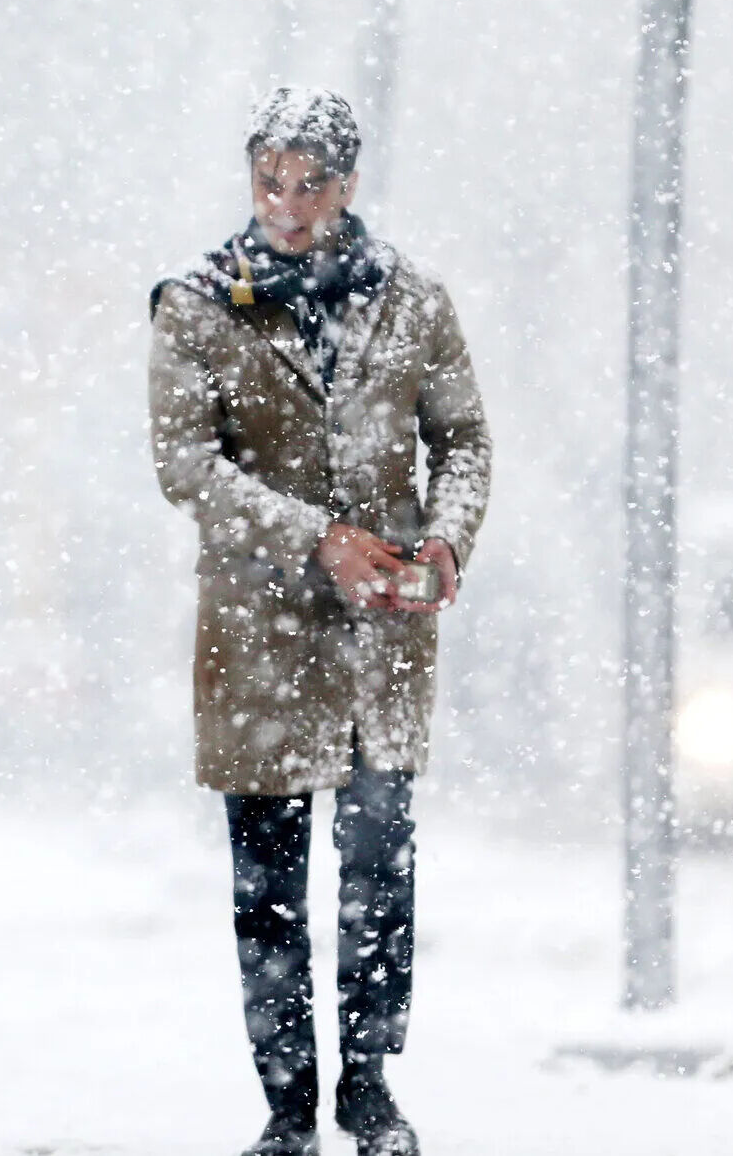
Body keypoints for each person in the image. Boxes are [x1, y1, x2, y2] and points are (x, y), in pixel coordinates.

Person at [149, 88, 490, 1156]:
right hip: (255, 638)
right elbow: (183, 465)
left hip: (381, 637)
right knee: (268, 884)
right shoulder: (201, 304)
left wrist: (441, 540)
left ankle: (370, 1085)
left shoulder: (411, 303)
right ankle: (286, 1102)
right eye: (268, 181)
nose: (285, 207)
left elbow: (465, 440)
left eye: (309, 185)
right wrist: (314, 535)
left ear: (346, 184)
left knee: (379, 862)